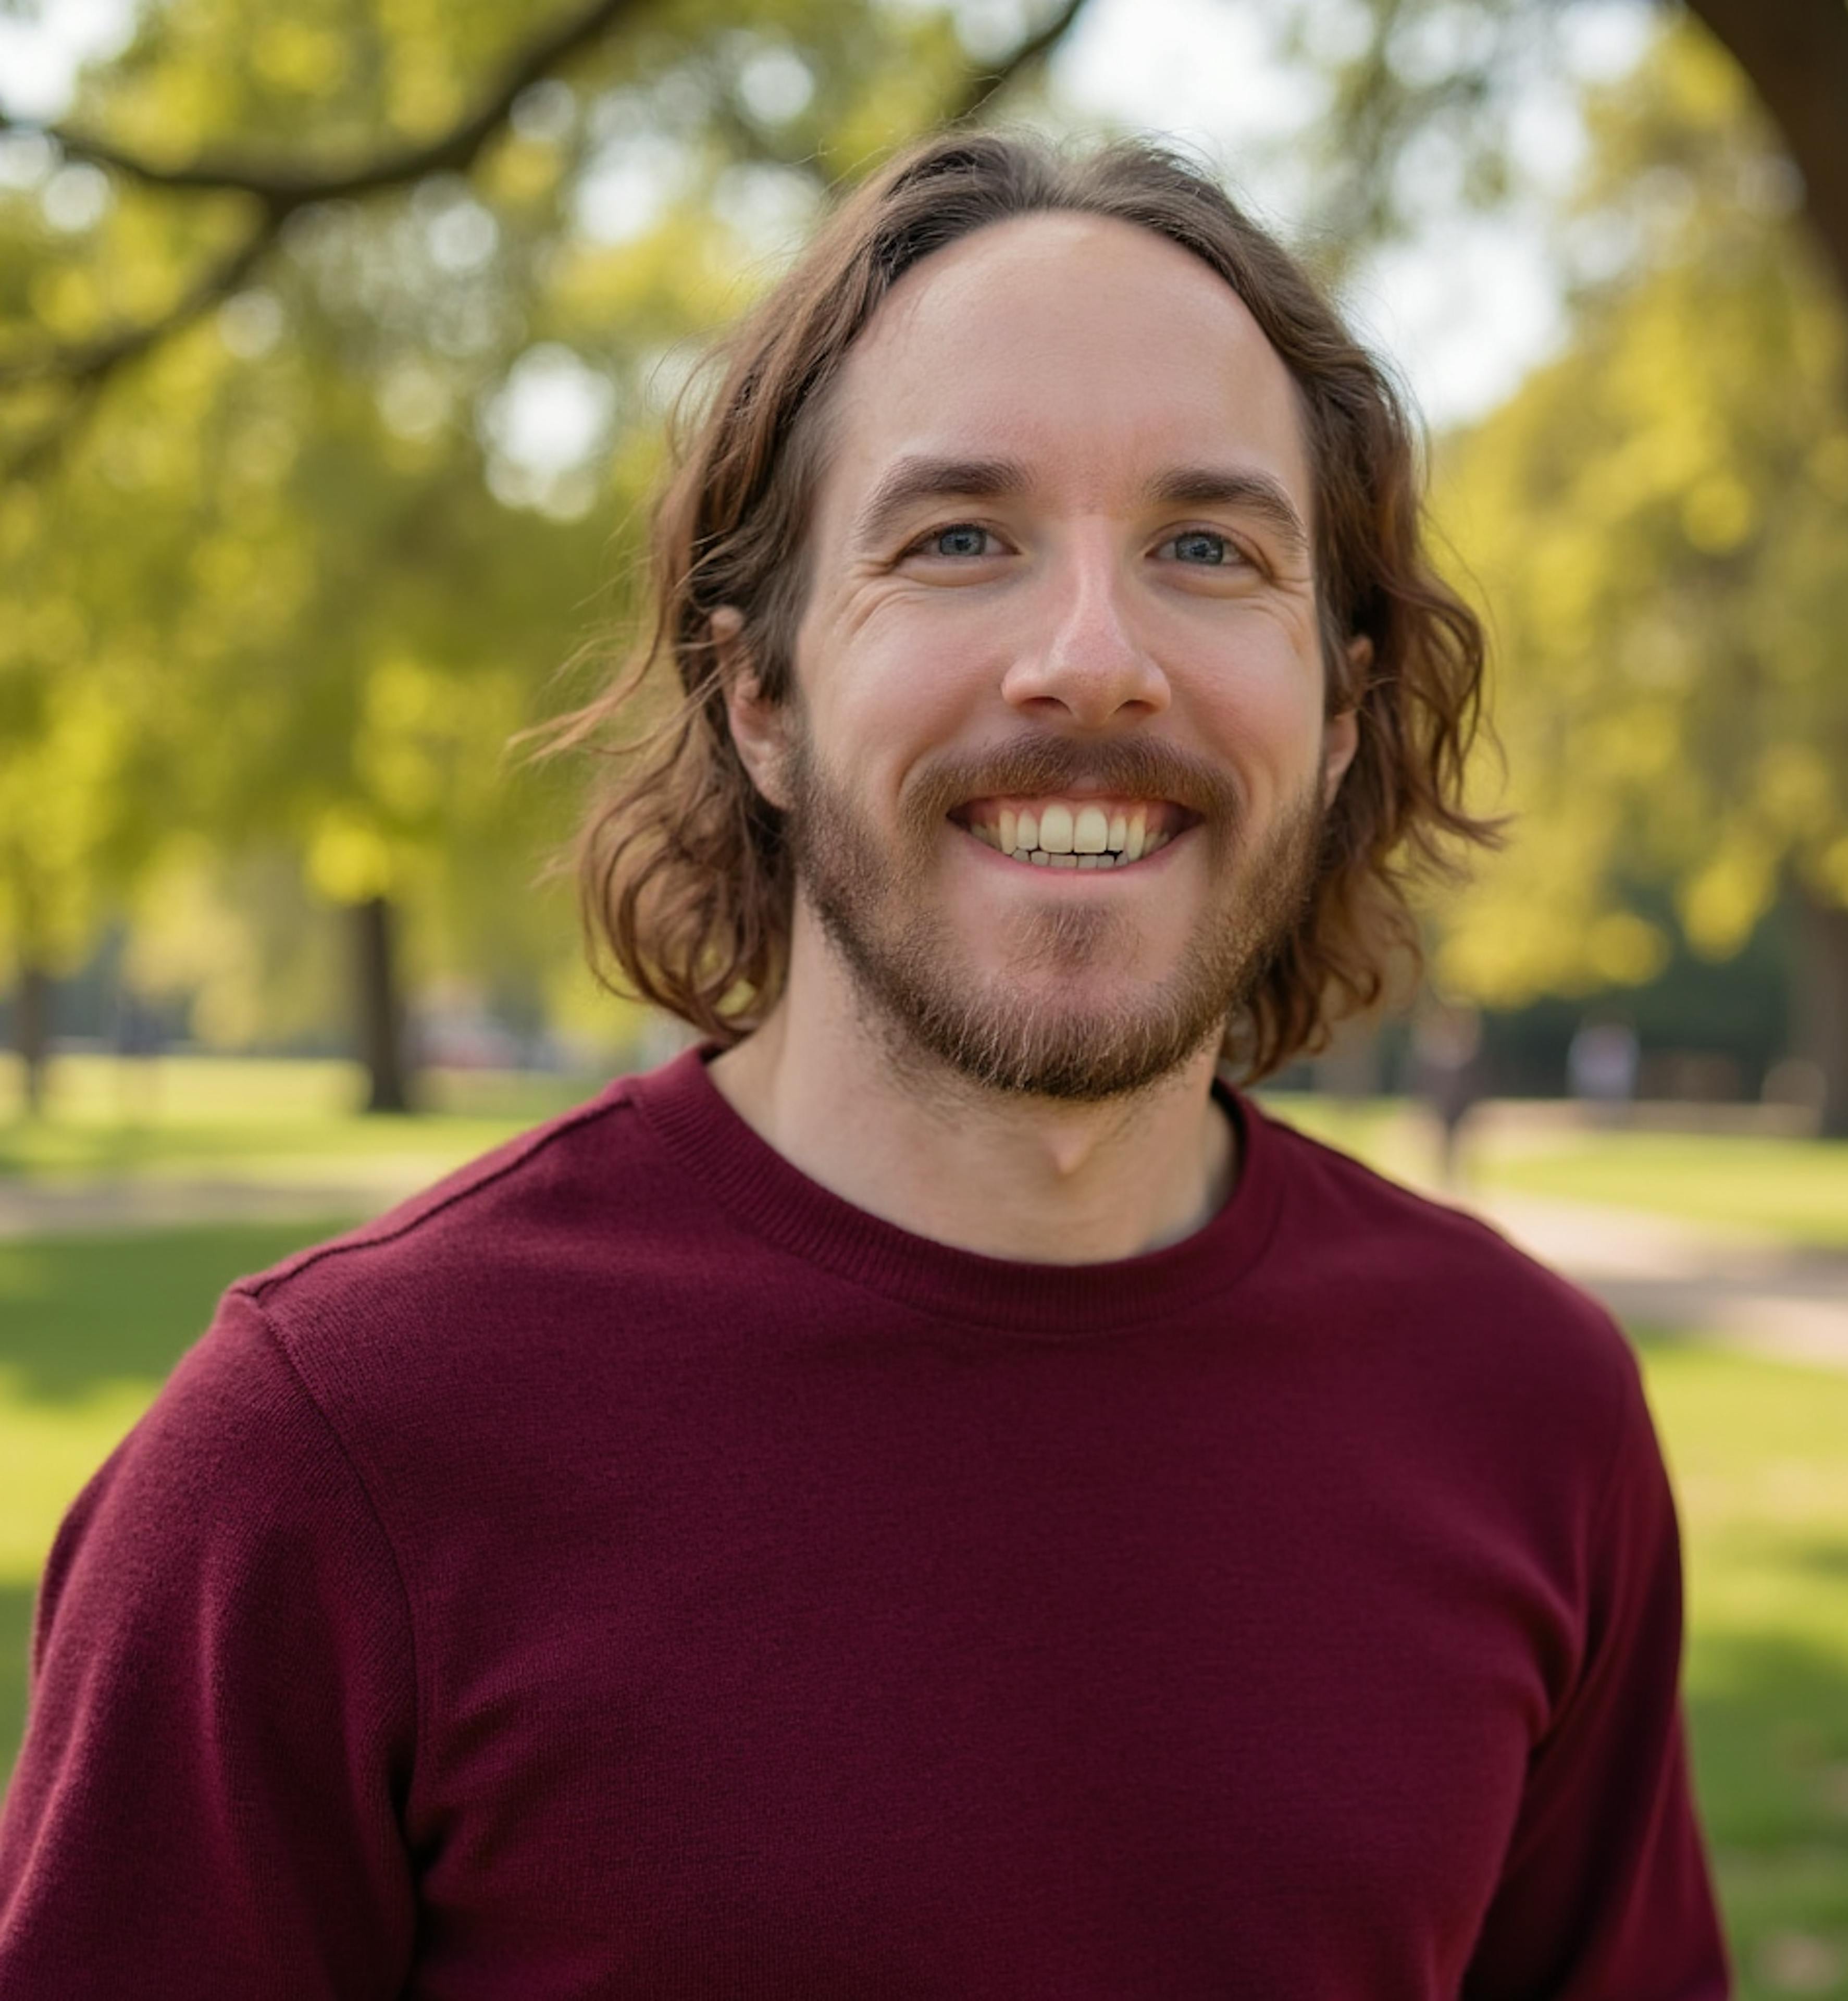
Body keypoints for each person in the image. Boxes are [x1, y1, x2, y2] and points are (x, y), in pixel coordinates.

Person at [0, 134, 1729, 1997]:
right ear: (758, 695)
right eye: (959, 539)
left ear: (1337, 716)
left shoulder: (1532, 1414)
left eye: (1208, 549)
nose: (1093, 659)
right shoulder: (319, 1462)